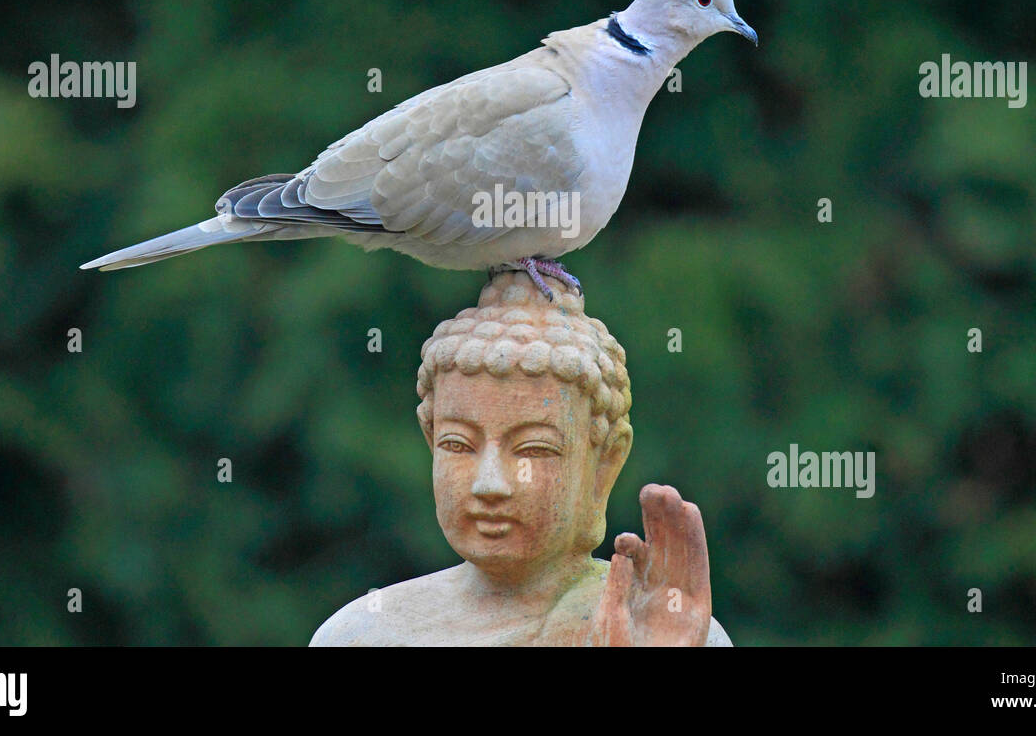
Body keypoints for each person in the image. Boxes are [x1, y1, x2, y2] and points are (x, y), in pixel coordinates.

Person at [310, 271, 731, 646]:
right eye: (458, 445)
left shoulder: (662, 629)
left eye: (534, 449)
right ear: (430, 440)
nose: (489, 483)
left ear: (605, 464)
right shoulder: (361, 633)